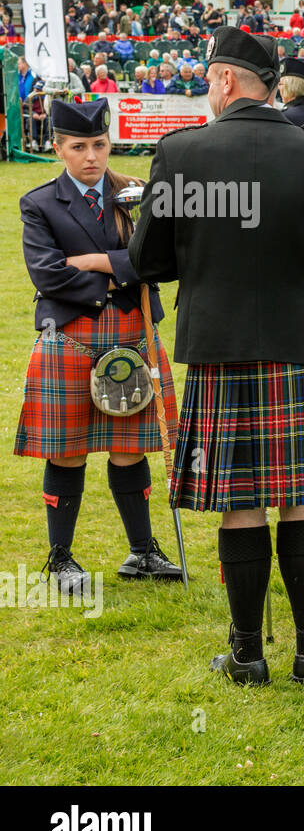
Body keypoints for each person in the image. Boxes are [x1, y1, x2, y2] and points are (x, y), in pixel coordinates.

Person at [129, 26, 304, 686]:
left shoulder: (180, 155)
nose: (206, 91)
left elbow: (148, 261)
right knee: (301, 496)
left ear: (228, 80)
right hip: (300, 342)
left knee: (241, 499)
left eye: (208, 80)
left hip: (219, 346)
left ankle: (246, 653)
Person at [14, 98, 183, 595]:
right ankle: (61, 557)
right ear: (59, 148)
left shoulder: (135, 193)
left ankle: (142, 552)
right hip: (70, 336)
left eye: (100, 145)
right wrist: (116, 272)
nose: (92, 156)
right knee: (66, 451)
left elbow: (160, 259)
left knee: (131, 448)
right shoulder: (39, 202)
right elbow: (46, 273)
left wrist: (93, 263)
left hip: (133, 332)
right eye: (79, 146)